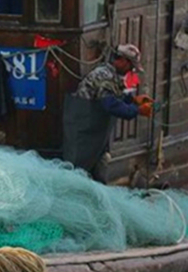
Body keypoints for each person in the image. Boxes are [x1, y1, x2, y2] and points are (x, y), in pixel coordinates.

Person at [62, 44, 153, 175]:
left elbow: (115, 96)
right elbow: (110, 105)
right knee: (77, 171)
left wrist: (133, 100)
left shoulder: (111, 74)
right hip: (83, 135)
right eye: (131, 66)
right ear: (122, 60)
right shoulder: (104, 76)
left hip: (94, 136)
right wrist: (137, 110)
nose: (130, 71)